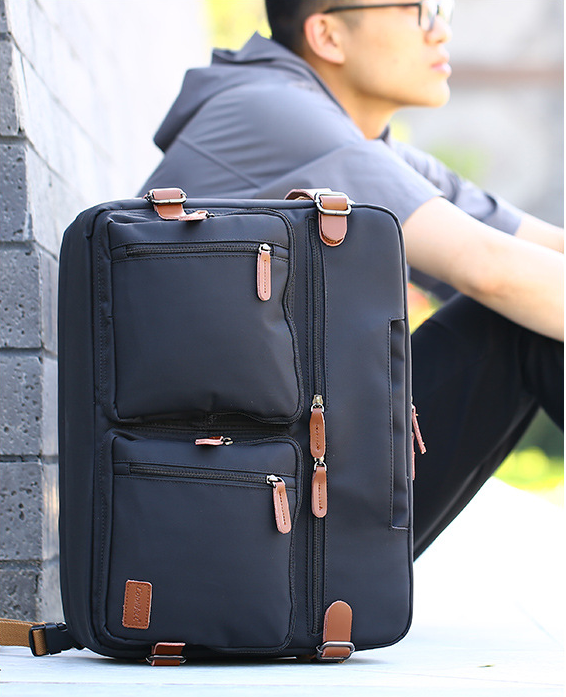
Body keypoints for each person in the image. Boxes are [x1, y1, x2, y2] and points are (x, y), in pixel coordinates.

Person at [141, 0, 564, 557]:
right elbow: (494, 270)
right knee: (523, 323)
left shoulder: (362, 144)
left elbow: (541, 247)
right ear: (328, 35)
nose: (441, 30)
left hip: (287, 488)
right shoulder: (275, 113)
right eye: (418, 10)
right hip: (233, 527)